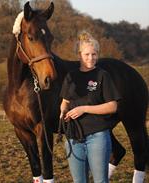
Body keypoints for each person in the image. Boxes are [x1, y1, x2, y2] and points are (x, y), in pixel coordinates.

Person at [60, 30, 121, 183]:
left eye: (94, 54)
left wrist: (84, 109)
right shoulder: (70, 77)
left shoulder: (102, 75)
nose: (91, 58)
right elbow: (65, 102)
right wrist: (63, 113)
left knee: (100, 180)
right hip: (73, 137)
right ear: (79, 55)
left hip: (98, 136)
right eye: (87, 54)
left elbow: (113, 106)